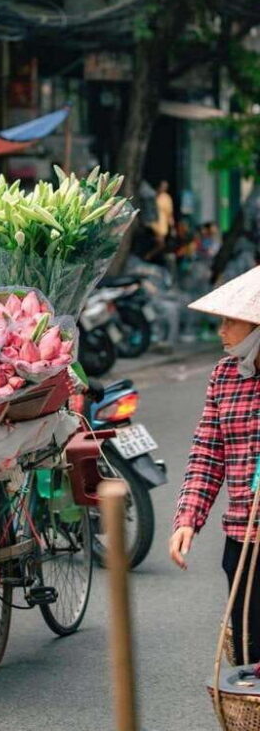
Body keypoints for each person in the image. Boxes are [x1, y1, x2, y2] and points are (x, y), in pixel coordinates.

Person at [169, 265, 260, 665]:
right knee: (248, 653)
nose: (221, 331)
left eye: (230, 322)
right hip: (243, 536)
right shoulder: (225, 375)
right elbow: (208, 450)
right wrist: (188, 517)